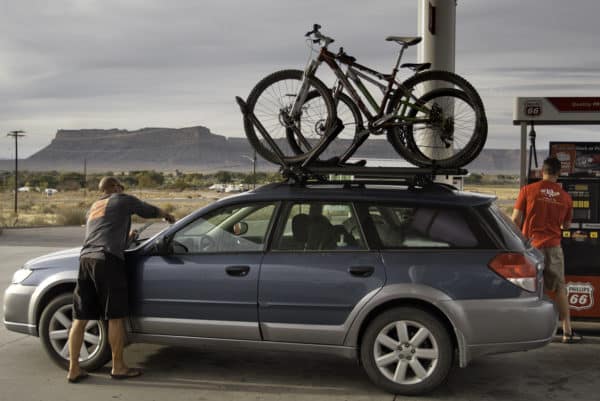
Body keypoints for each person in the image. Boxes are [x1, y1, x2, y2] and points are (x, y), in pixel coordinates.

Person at [67, 176, 176, 383]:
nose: (122, 189)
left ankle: (73, 368)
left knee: (80, 318)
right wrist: (167, 215)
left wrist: (127, 239)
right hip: (108, 261)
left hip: (86, 260)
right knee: (115, 317)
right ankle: (118, 367)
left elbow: (102, 234)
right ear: (114, 187)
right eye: (120, 186)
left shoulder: (94, 207)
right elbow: (147, 210)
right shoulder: (122, 199)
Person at [511, 157, 581, 344]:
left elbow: (515, 220)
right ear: (559, 173)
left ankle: (523, 331)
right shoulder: (566, 197)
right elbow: (566, 225)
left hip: (531, 247)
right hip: (553, 247)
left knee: (526, 288)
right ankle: (567, 331)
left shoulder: (527, 190)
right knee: (559, 289)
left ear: (542, 171)